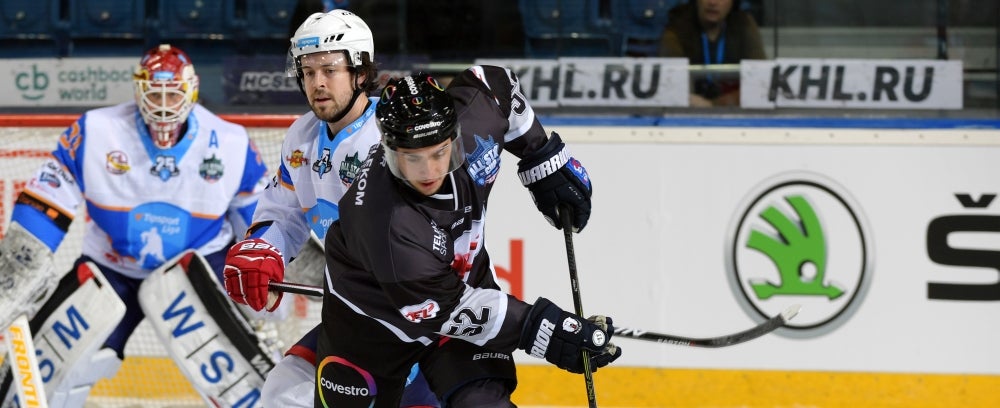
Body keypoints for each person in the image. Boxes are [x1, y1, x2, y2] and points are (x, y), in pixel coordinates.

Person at [232, 68, 621, 406]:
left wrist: (542, 156)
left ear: (454, 134)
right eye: (412, 158)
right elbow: (452, 307)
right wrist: (545, 328)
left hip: (451, 303)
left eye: (439, 152)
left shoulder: (473, 125)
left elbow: (495, 83)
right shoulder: (384, 221)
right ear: (386, 151)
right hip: (371, 331)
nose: (429, 170)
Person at [0, 44, 269, 406]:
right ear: (137, 90)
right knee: (41, 369)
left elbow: (263, 216)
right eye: (153, 94)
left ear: (191, 91)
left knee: (243, 382)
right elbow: (48, 196)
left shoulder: (231, 142)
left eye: (172, 94)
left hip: (200, 265)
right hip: (112, 267)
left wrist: (268, 268)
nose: (162, 105)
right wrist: (21, 264)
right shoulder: (96, 131)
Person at [222, 9, 440, 407]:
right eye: (307, 71)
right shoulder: (301, 135)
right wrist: (262, 249)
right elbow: (284, 212)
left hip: (429, 319)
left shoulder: (397, 131)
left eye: (329, 69)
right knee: (283, 394)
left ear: (360, 72)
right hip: (358, 315)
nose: (317, 83)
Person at [659, 0, 766, 107]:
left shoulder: (744, 23)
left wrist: (714, 104)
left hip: (732, 113)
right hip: (689, 114)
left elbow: (761, 82)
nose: (712, 2)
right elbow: (672, 88)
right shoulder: (677, 27)